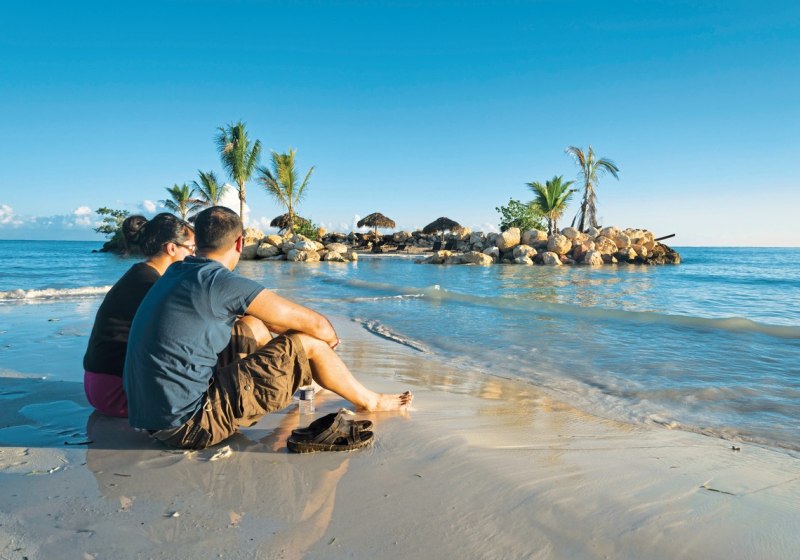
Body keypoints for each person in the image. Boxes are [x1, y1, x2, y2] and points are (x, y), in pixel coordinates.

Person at [124, 206, 412, 449]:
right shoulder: (219, 282)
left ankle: (303, 382)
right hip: (191, 426)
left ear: (197, 241)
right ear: (239, 243)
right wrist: (322, 344)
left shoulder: (176, 272)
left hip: (152, 419)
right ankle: (371, 401)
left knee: (251, 323)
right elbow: (318, 325)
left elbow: (271, 321)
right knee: (310, 343)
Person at [83, 213, 196, 417]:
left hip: (99, 386)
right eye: (191, 248)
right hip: (120, 393)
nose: (194, 255)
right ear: (172, 248)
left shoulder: (140, 275)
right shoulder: (153, 284)